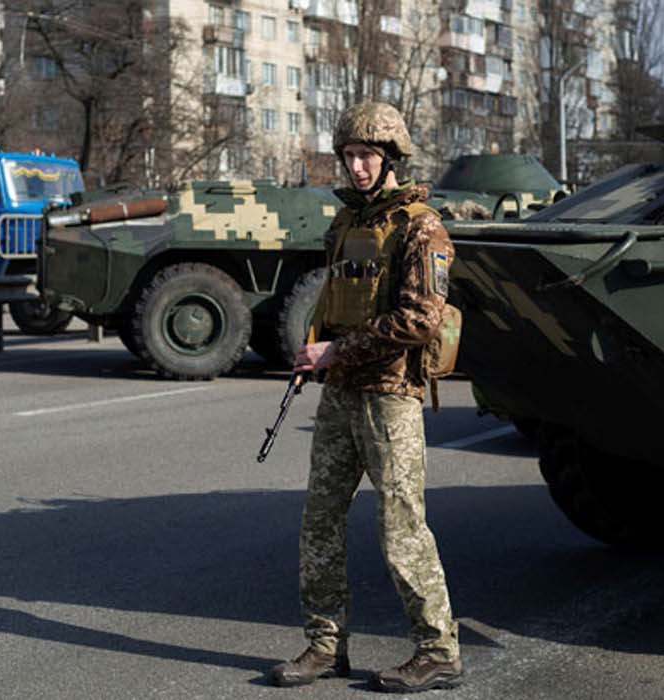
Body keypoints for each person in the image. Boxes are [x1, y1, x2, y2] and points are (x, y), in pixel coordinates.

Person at [269, 102, 462, 693]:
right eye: (349, 155)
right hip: (342, 393)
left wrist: (334, 353)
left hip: (390, 396)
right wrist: (316, 350)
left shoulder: (420, 227)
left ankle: (438, 650)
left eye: (367, 156)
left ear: (391, 160)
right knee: (320, 520)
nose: (355, 167)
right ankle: (326, 646)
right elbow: (334, 300)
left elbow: (421, 319)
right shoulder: (347, 224)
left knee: (402, 527)